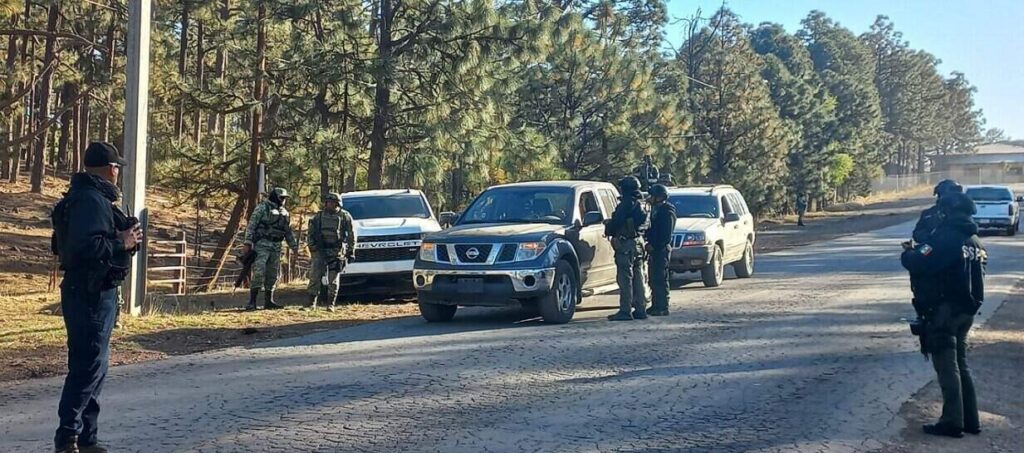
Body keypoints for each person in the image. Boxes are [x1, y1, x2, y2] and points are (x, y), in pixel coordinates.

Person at [52, 142, 143, 453]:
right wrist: (122, 243)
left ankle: (86, 437)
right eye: (117, 167)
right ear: (111, 169)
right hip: (88, 291)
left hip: (95, 290)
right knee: (88, 365)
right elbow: (84, 247)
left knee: (96, 365)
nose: (118, 171)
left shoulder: (89, 197)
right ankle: (67, 438)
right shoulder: (91, 200)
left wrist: (123, 234)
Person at [901, 192, 985, 439]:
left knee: (947, 366)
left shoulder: (946, 238)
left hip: (944, 311)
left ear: (947, 211)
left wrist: (907, 253)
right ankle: (970, 419)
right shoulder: (974, 240)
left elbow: (920, 260)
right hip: (966, 311)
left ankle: (951, 421)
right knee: (961, 363)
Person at [242, 187, 300, 311]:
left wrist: (294, 247)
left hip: (276, 246)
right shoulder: (262, 208)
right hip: (262, 245)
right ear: (275, 196)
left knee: (273, 274)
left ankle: (269, 301)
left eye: (285, 198)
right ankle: (252, 301)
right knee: (259, 271)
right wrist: (247, 242)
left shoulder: (284, 213)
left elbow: (287, 232)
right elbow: (252, 225)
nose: (283, 201)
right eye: (282, 198)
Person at [604, 176, 649, 321]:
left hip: (626, 244)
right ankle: (640, 308)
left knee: (625, 278)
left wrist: (608, 226)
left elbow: (616, 222)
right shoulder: (640, 204)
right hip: (637, 243)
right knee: (638, 277)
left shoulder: (626, 204)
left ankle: (625, 310)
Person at [306, 192, 356, 311]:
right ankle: (311, 303)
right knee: (315, 276)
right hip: (320, 250)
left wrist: (351, 251)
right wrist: (312, 247)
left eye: (333, 203)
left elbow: (351, 235)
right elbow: (311, 233)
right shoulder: (318, 217)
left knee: (333, 279)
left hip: (337, 251)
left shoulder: (345, 216)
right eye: (329, 202)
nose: (331, 205)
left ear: (338, 203)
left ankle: (331, 304)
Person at [645, 184, 676, 317]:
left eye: (652, 196)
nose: (649, 198)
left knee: (661, 279)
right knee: (653, 278)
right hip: (655, 249)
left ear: (659, 197)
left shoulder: (667, 211)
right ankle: (656, 304)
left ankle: (663, 306)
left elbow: (665, 235)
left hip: (661, 249)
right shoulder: (656, 210)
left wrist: (655, 245)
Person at [912, 179, 963, 244]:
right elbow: (917, 234)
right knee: (917, 252)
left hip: (957, 247)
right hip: (932, 246)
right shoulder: (929, 214)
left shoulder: (963, 212)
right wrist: (930, 236)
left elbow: (972, 230)